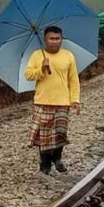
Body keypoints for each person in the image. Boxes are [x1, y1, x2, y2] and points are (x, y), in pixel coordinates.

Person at [24, 25, 80, 176]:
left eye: (57, 38)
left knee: (60, 133)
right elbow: (28, 75)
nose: (55, 42)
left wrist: (75, 99)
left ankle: (58, 158)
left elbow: (73, 80)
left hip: (62, 101)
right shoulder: (37, 55)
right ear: (45, 40)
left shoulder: (68, 55)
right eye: (51, 39)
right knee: (44, 136)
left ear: (61, 39)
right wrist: (41, 69)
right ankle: (45, 165)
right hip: (42, 101)